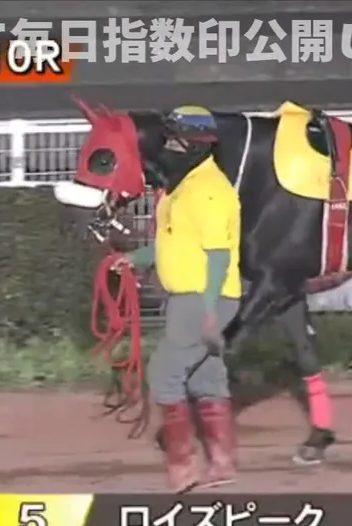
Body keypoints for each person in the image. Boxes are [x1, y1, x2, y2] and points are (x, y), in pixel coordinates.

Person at [112, 105, 242, 493]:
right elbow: (174, 243)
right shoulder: (182, 187)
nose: (167, 146)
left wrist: (209, 310)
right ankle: (222, 464)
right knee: (206, 379)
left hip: (202, 298)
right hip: (193, 297)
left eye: (174, 140)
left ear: (196, 144)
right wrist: (135, 258)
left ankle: (182, 468)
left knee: (165, 375)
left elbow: (218, 255)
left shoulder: (209, 191)